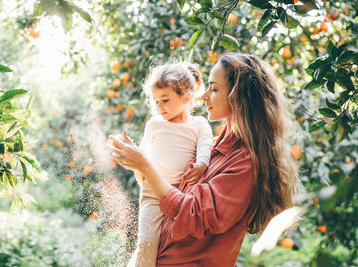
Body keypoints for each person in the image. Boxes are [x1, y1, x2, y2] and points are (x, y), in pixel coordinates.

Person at [109, 53, 298, 266]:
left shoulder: (244, 162)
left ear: (239, 97)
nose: (203, 96)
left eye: (214, 89)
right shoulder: (214, 146)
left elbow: (192, 215)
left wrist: (144, 164)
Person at [126, 62, 213, 266]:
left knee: (172, 246)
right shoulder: (154, 124)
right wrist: (130, 152)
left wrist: (201, 164)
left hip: (182, 195)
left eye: (165, 100)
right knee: (147, 243)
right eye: (156, 101)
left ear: (187, 96)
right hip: (152, 194)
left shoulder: (198, 124)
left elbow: (205, 145)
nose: (159, 106)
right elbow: (143, 156)